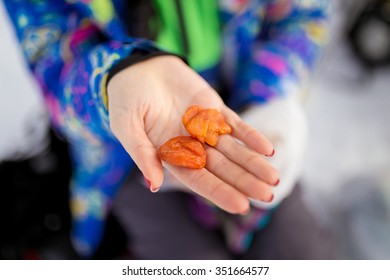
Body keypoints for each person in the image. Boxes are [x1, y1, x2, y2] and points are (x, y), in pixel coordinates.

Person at [3, 0, 333, 259]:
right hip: (120, 160)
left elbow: (303, 15)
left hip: (243, 128)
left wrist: (270, 97)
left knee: (303, 254)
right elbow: (53, 62)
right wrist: (115, 77)